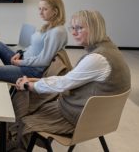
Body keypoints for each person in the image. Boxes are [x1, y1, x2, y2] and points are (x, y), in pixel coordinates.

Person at [8, 10, 131, 150]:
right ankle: (11, 141)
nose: (73, 33)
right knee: (33, 104)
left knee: (24, 119)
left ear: (95, 27)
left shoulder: (97, 58)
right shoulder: (109, 49)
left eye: (79, 28)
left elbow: (64, 83)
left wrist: (29, 86)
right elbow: (71, 79)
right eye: (72, 28)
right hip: (101, 119)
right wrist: (35, 81)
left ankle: (11, 144)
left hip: (79, 118)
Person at [0, 0, 67, 83]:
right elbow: (33, 47)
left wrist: (21, 62)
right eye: (39, 8)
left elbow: (44, 60)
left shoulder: (57, 32)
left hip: (30, 70)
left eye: (45, 9)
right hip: (24, 61)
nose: (40, 12)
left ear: (55, 11)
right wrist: (20, 53)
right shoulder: (48, 26)